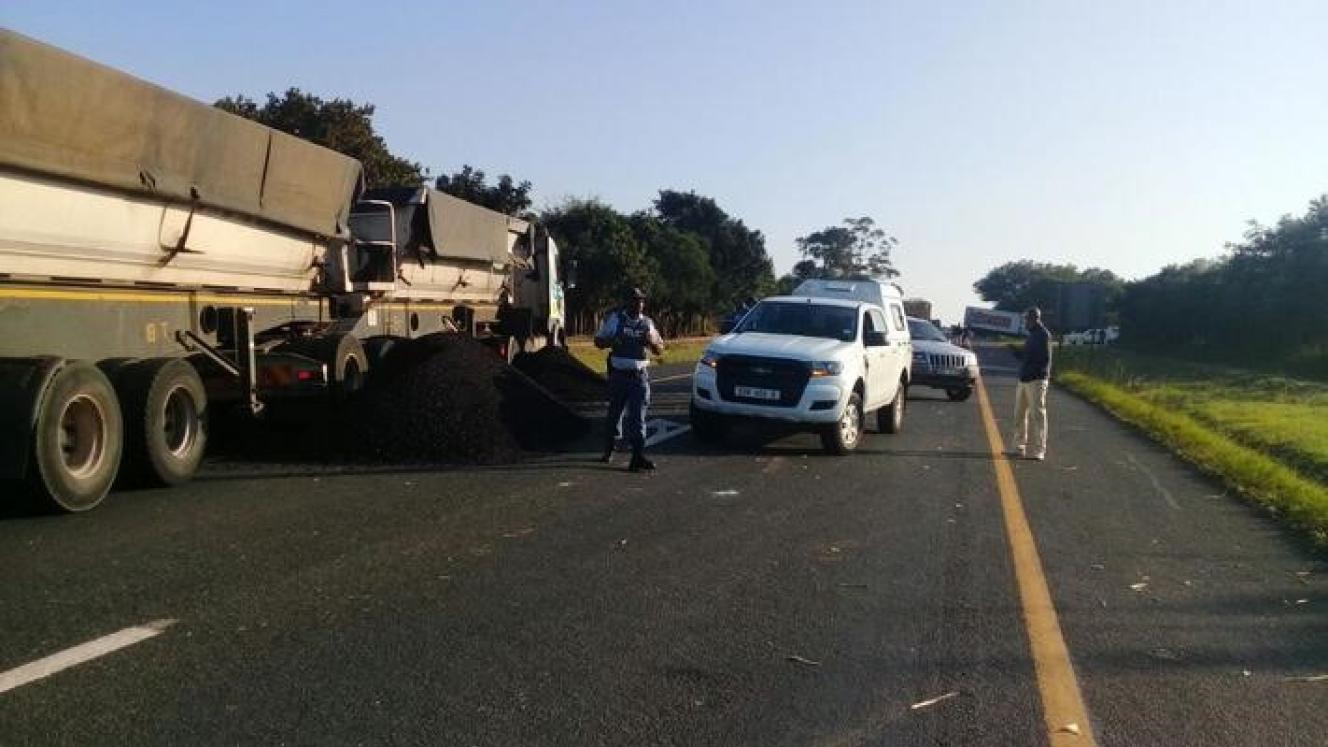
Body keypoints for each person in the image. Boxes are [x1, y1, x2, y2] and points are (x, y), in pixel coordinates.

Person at [595, 287, 665, 471]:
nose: (639, 304)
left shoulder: (647, 324)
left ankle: (637, 457)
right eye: (635, 300)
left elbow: (660, 350)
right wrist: (612, 342)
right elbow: (598, 341)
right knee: (614, 414)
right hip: (618, 376)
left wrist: (650, 342)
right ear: (627, 302)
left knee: (638, 417)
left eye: (641, 300)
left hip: (639, 377)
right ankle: (609, 448)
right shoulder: (616, 319)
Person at [1013, 307, 1052, 460]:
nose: (1025, 322)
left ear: (1035, 318)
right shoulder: (1032, 335)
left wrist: (1031, 373)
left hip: (1036, 379)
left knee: (1038, 415)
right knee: (1019, 414)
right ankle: (1018, 446)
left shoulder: (1043, 335)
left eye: (1027, 319)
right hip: (1024, 378)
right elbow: (1027, 356)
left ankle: (1039, 450)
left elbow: (1044, 360)